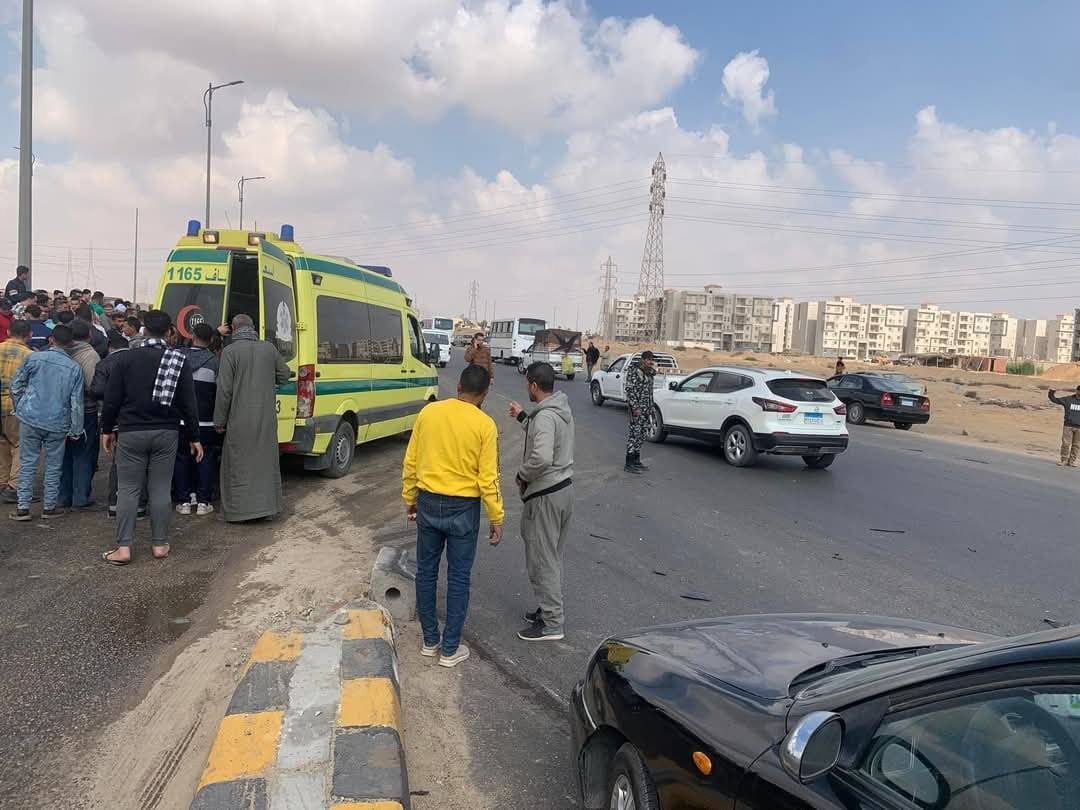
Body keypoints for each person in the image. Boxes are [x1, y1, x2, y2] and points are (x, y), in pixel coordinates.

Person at [402, 364, 503, 668]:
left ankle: (429, 641)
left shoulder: (429, 413)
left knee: (426, 572)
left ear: (458, 386)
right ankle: (449, 649)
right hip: (464, 508)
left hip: (428, 501)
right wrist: (496, 517)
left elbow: (411, 461)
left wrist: (410, 499)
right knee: (458, 578)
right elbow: (488, 478)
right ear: (484, 394)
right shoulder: (485, 425)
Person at [100, 310, 202, 564]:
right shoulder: (178, 359)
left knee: (128, 489)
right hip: (166, 432)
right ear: (169, 332)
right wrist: (194, 436)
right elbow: (188, 402)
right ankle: (159, 544)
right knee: (160, 489)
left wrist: (107, 429)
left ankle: (124, 548)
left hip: (131, 431)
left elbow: (112, 398)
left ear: (144, 330)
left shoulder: (125, 359)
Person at [508, 362, 575, 642]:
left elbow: (542, 456)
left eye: (528, 384)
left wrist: (522, 475)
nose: (527, 388)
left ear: (534, 385)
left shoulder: (546, 417)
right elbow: (545, 437)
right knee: (552, 557)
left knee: (542, 560)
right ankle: (548, 610)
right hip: (563, 491)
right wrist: (523, 417)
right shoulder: (560, 408)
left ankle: (552, 623)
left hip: (546, 495)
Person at [213, 314, 289, 523]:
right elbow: (285, 374)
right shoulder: (269, 349)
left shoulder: (230, 352)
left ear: (233, 328)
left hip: (239, 419)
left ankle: (239, 512)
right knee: (264, 464)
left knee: (238, 465)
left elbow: (224, 390)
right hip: (266, 419)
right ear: (253, 327)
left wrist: (219, 421)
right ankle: (267, 508)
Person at [8, 324, 85, 521]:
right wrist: (76, 428)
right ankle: (49, 507)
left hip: (30, 416)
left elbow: (15, 385)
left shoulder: (33, 358)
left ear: (51, 339)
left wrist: (20, 407)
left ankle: (23, 507)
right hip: (58, 421)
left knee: (27, 462)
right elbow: (76, 402)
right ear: (71, 343)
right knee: (53, 466)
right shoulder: (75, 368)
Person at [92, 331, 146, 519]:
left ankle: (115, 503)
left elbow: (97, 390)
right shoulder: (136, 362)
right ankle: (139, 505)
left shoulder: (104, 364)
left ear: (109, 348)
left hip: (113, 418)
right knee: (140, 462)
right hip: (134, 417)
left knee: (118, 462)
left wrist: (113, 394)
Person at [173, 323, 220, 516]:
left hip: (181, 421)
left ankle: (184, 500)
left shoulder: (178, 357)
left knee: (182, 459)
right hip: (206, 422)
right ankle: (203, 502)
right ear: (211, 340)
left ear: (192, 336)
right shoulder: (215, 362)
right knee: (206, 460)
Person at [58, 319, 100, 510]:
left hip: (61, 410)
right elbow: (93, 385)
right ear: (89, 336)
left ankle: (64, 495)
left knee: (64, 454)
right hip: (85, 410)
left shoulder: (60, 352)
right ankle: (80, 497)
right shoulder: (90, 355)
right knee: (83, 453)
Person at [0, 320, 33, 503]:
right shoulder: (29, 356)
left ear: (8, 331)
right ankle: (14, 487)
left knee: (2, 445)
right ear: (29, 335)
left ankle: (2, 481)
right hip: (15, 407)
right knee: (20, 445)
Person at [624, 350, 655, 474]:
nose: (650, 362)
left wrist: (651, 407)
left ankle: (636, 460)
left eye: (651, 359)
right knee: (634, 435)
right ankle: (629, 463)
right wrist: (635, 407)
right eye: (648, 359)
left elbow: (650, 392)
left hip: (646, 409)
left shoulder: (649, 373)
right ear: (643, 359)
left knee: (642, 435)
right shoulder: (634, 371)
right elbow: (629, 390)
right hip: (637, 409)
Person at [1048, 385, 1080, 467]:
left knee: (1076, 445)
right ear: (1077, 391)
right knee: (1066, 444)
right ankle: (1064, 460)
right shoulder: (1068, 399)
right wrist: (1051, 392)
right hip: (1068, 426)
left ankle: (1072, 461)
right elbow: (1054, 400)